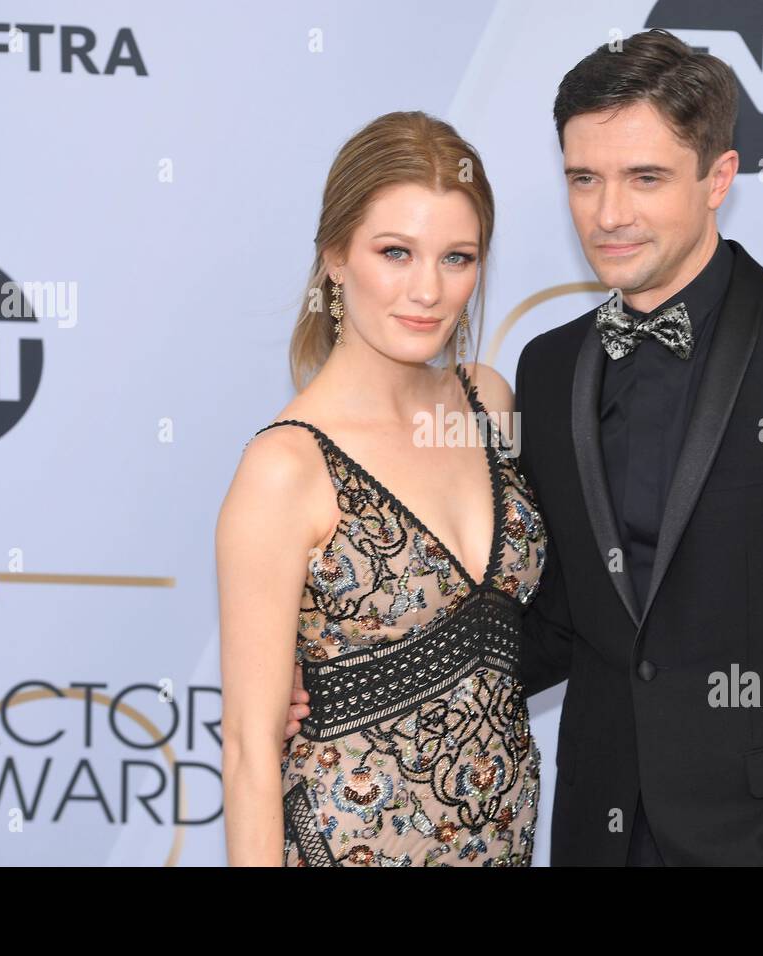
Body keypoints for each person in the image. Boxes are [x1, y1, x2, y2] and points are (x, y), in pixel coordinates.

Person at [285, 30, 763, 866]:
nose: (609, 215)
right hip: (596, 827)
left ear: (720, 178)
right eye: (584, 179)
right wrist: (359, 682)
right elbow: (558, 619)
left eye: (646, 178)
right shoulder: (550, 366)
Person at [218, 111, 549, 866]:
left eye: (457, 257)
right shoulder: (287, 467)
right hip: (346, 843)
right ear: (336, 257)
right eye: (395, 252)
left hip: (501, 838)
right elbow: (247, 752)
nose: (427, 290)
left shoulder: (488, 402)